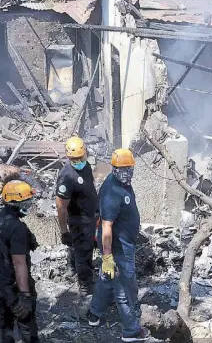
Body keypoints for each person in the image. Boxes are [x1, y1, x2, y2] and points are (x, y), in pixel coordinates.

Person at [87, 149, 150, 342]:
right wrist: (107, 257)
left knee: (107, 279)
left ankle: (94, 315)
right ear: (114, 168)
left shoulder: (123, 183)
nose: (126, 172)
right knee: (124, 286)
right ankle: (131, 331)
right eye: (122, 169)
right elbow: (106, 227)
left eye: (129, 168)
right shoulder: (111, 191)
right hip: (117, 247)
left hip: (123, 243)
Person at [0, 180, 40, 343]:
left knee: (4, 320)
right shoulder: (18, 228)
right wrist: (24, 294)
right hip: (12, 284)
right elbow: (19, 263)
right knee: (26, 322)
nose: (29, 205)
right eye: (26, 202)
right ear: (16, 203)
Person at [55, 136, 98, 296]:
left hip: (89, 216)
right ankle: (85, 286)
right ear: (68, 157)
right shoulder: (67, 176)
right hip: (79, 221)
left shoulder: (85, 166)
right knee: (84, 252)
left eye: (81, 157)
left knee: (81, 249)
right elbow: (61, 207)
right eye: (75, 159)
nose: (79, 160)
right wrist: (64, 231)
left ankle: (73, 268)